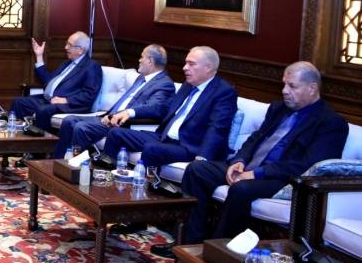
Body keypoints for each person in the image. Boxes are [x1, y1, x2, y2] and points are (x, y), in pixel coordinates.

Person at [175, 62, 348, 246]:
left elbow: (309, 165)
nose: (284, 91)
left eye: (292, 86)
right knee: (197, 170)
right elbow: (255, 138)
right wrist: (240, 160)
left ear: (312, 88)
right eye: (284, 84)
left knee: (241, 189)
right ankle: (189, 243)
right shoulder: (278, 108)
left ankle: (218, 248)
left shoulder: (330, 123)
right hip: (249, 168)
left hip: (281, 179)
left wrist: (257, 173)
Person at [99, 46, 237, 168]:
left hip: (189, 146)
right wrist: (129, 112)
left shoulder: (223, 92)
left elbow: (217, 128)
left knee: (152, 149)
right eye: (186, 63)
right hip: (164, 138)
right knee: (116, 133)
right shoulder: (188, 85)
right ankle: (108, 175)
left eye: (191, 64)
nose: (185, 67)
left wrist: (202, 157)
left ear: (208, 67)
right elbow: (163, 108)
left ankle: (144, 187)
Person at [53, 44, 175, 158]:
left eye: (142, 57)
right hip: (109, 117)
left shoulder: (164, 84)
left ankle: (74, 167)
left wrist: (122, 114)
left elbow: (154, 107)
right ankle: (57, 161)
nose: (139, 60)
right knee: (69, 120)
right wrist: (110, 115)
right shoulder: (141, 78)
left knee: (81, 127)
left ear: (150, 61)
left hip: (123, 124)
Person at [11, 32, 103, 133]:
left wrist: (66, 100)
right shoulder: (67, 63)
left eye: (70, 45)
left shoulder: (92, 66)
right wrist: (39, 56)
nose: (66, 47)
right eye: (66, 43)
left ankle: (40, 141)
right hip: (50, 100)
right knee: (19, 102)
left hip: (70, 105)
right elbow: (48, 81)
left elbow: (89, 95)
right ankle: (17, 136)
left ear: (81, 50)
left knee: (43, 110)